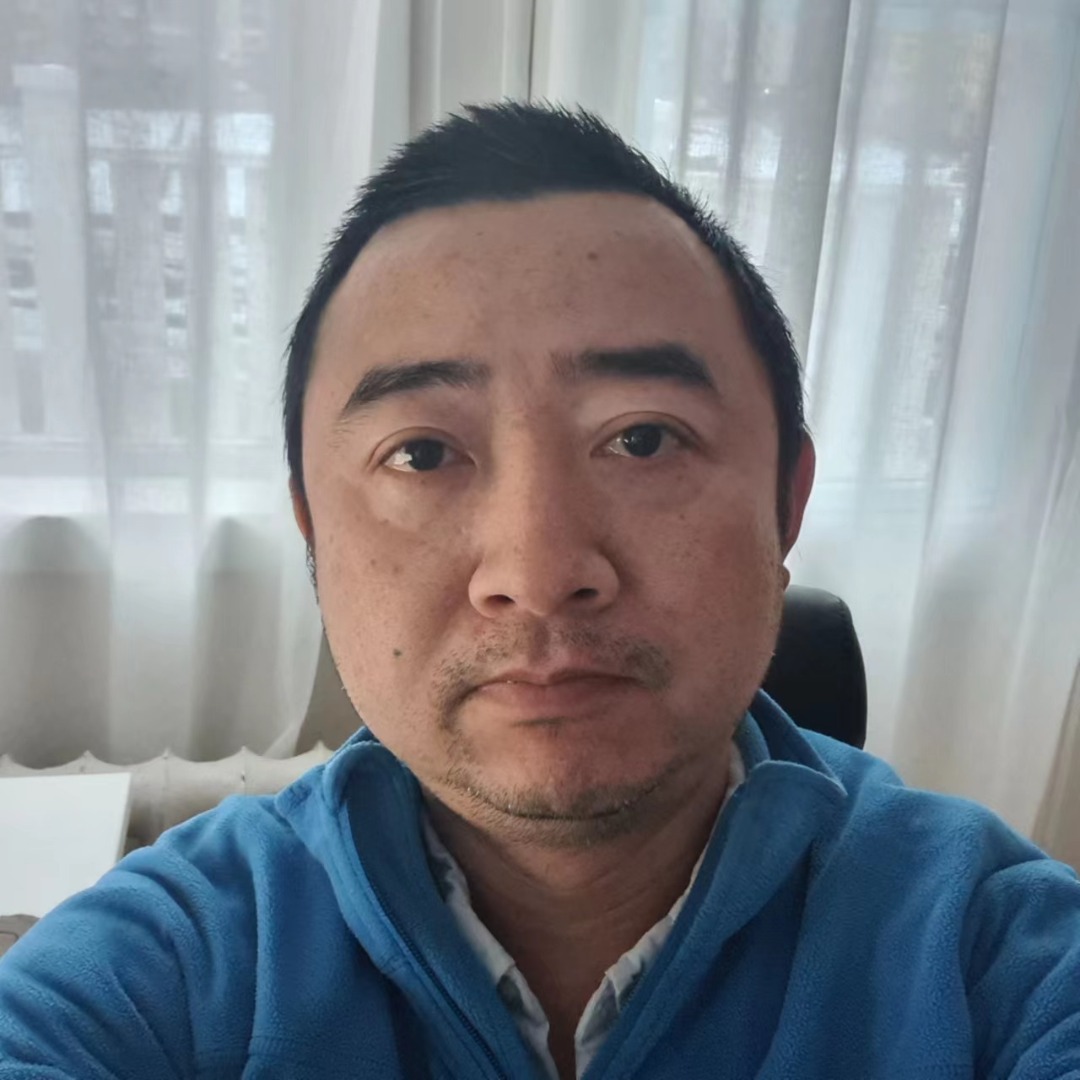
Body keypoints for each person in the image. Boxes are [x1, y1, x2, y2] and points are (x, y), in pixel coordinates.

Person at [1, 101, 1078, 1080]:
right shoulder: (162, 967)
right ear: (313, 533)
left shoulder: (995, 959)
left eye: (644, 439)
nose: (538, 571)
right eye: (422, 453)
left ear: (785, 505)